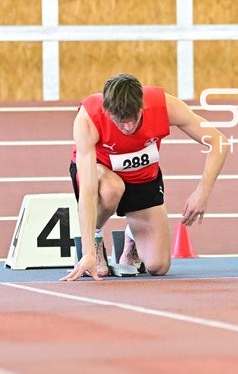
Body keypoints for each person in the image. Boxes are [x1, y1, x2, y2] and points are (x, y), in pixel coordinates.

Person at [62, 73, 229, 281]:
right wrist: (87, 250)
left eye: (133, 119)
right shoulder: (88, 119)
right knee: (112, 189)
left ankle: (130, 238)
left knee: (158, 266)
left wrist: (202, 191)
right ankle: (97, 241)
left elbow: (219, 142)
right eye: (120, 122)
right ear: (108, 111)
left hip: (143, 180)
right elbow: (87, 191)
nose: (128, 127)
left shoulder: (164, 106)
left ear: (142, 105)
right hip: (102, 176)